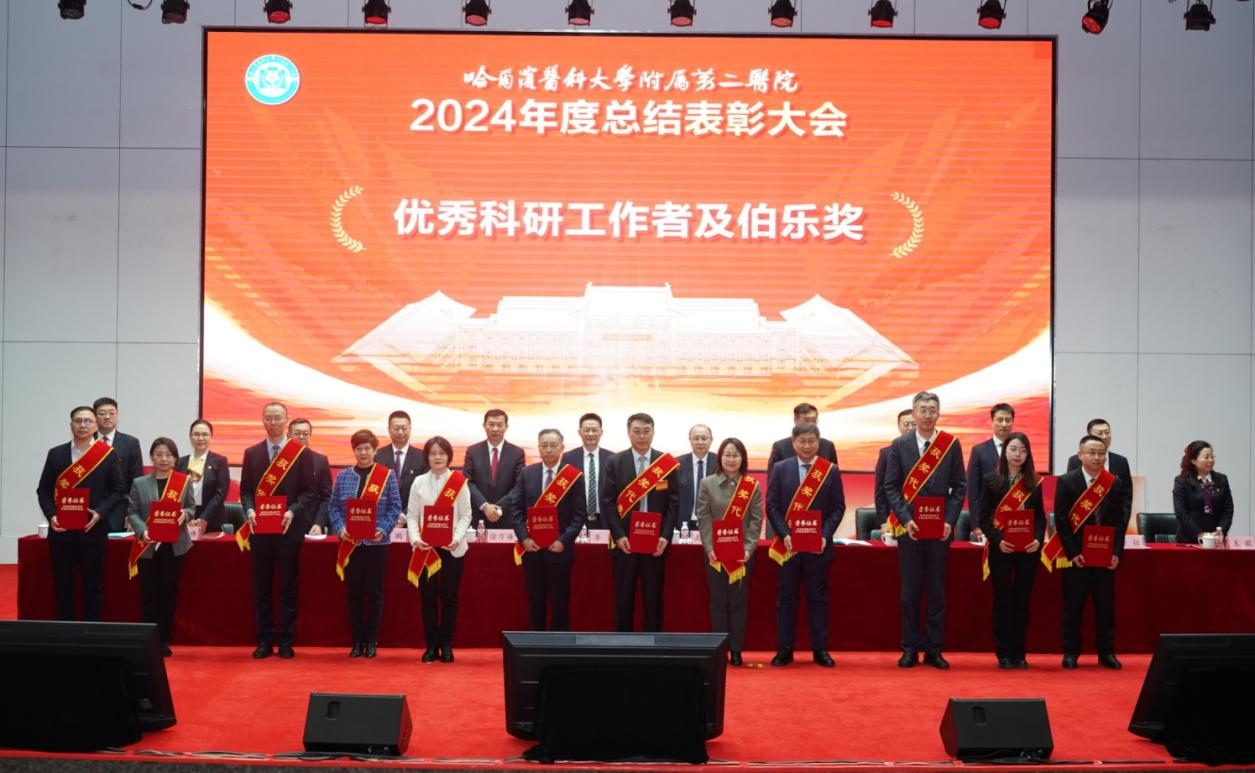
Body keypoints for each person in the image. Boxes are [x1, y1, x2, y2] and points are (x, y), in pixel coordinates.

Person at [883, 391, 966, 670]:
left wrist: (950, 520)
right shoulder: (900, 445)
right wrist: (905, 519)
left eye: (932, 410)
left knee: (937, 591)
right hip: (910, 530)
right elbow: (891, 487)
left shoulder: (950, 444)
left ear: (938, 413)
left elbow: (960, 486)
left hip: (940, 530)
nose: (928, 415)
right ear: (914, 413)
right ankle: (909, 649)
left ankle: (933, 649)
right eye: (923, 410)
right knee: (910, 592)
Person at [240, 402, 316, 659]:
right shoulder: (252, 453)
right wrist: (249, 509)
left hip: (288, 529)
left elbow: (309, 492)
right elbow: (246, 491)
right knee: (261, 586)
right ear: (262, 420)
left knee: (287, 586)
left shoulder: (300, 453)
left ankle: (286, 639)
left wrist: (292, 511)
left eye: (278, 418)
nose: (273, 423)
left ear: (286, 421)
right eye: (269, 418)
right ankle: (264, 639)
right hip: (259, 529)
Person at [765, 424, 846, 668]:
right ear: (793, 443)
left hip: (818, 547)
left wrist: (824, 535)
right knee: (786, 598)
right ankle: (784, 649)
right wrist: (785, 534)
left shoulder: (829, 470)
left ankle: (820, 650)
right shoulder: (781, 469)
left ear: (818, 443)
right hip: (788, 547)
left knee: (818, 599)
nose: (807, 446)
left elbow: (838, 507)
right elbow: (772, 506)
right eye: (802, 441)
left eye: (811, 441)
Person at [36, 406, 127, 621]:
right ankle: (65, 631)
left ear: (96, 425)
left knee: (93, 585)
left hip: (92, 530)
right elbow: (43, 490)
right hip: (62, 531)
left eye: (88, 421)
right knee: (63, 584)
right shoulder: (56, 454)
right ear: (71, 425)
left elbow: (118, 490)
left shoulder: (106, 455)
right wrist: (51, 515)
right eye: (78, 421)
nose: (82, 425)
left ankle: (91, 631)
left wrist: (100, 513)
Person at [1054, 434, 1127, 670]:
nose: (1097, 457)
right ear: (1080, 455)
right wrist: (1073, 552)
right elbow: (1061, 520)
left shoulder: (1113, 483)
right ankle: (1070, 652)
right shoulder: (1067, 481)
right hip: (1077, 557)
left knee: (1106, 607)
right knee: (1073, 606)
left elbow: (1119, 522)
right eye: (1091, 453)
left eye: (1101, 453)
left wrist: (1116, 552)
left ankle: (1107, 653)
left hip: (1105, 557)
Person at [602, 412, 680, 632]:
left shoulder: (665, 464)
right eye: (637, 431)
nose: (642, 436)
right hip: (625, 542)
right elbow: (607, 502)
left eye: (646, 431)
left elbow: (673, 503)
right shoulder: (615, 462)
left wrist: (665, 536)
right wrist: (619, 536)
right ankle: (623, 644)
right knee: (623, 599)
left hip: (655, 543)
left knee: (653, 599)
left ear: (653, 432)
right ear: (628, 433)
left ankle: (653, 645)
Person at [330, 430, 402, 659]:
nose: (363, 453)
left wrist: (383, 529)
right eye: (359, 449)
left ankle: (371, 640)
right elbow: (333, 507)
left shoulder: (387, 475)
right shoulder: (343, 476)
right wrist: (340, 528)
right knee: (354, 593)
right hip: (351, 543)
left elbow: (395, 507)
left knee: (374, 592)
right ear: (354, 450)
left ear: (375, 450)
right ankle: (356, 641)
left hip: (377, 544)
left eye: (367, 448)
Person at [976, 432, 1045, 669]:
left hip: (1028, 550)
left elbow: (1040, 518)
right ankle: (1004, 653)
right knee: (1003, 600)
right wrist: (997, 540)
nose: (1018, 454)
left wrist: (1037, 539)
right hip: (1002, 550)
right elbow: (984, 517)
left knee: (1022, 601)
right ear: (1005, 451)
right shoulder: (991, 480)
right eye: (1014, 449)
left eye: (1023, 450)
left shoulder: (1034, 482)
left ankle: (1019, 653)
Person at [508, 429, 587, 631]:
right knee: (535, 601)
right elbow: (516, 510)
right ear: (539, 448)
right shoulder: (527, 473)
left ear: (562, 447)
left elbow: (579, 515)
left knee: (560, 602)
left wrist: (563, 540)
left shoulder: (573, 476)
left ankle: (560, 645)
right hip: (532, 549)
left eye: (553, 445)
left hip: (560, 550)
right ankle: (536, 644)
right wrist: (524, 538)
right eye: (544, 445)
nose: (549, 450)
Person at [696, 437, 763, 666]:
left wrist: (749, 548)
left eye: (735, 455)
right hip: (715, 555)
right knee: (717, 603)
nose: (731, 459)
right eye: (727, 454)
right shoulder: (707, 483)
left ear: (742, 458)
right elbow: (703, 517)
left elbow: (756, 520)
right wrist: (709, 548)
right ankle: (720, 649)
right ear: (720, 457)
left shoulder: (751, 486)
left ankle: (736, 649)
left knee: (738, 603)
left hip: (742, 556)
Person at [126, 437, 196, 656]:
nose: (164, 459)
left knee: (168, 593)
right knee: (148, 594)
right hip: (147, 544)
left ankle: (164, 639)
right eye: (159, 454)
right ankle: (149, 639)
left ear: (175, 458)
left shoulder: (183, 481)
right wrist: (142, 530)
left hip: (175, 546)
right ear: (152, 457)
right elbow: (132, 512)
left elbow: (191, 508)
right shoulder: (140, 483)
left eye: (168, 455)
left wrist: (185, 514)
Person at [407, 435, 472, 663]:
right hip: (426, 549)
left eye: (442, 453)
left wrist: (456, 538)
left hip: (452, 547)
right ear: (427, 456)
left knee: (449, 597)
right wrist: (416, 539)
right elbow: (412, 516)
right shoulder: (418, 482)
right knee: (428, 597)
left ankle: (447, 645)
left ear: (449, 456)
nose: (437, 457)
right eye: (433, 453)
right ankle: (431, 645)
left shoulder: (459, 482)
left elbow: (466, 514)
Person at [462, 408, 526, 529]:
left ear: (506, 427)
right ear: (484, 426)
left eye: (499, 425)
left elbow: (519, 485)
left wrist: (497, 508)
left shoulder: (517, 453)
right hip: (479, 517)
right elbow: (468, 482)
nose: (495, 429)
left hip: (506, 517)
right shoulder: (473, 451)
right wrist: (485, 506)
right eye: (491, 424)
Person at [1065, 418, 1133, 524]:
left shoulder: (1121, 461)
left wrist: (1123, 524)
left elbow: (1126, 496)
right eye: (1100, 433)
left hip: (1111, 525)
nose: (1105, 436)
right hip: (1081, 522)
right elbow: (1069, 494)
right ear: (1089, 436)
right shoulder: (1076, 460)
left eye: (1107, 432)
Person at [966, 403, 1016, 541]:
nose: (1004, 424)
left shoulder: (1021, 450)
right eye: (999, 420)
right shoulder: (979, 451)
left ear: (1013, 422)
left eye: (1008, 420)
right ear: (992, 422)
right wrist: (976, 524)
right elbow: (973, 491)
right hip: (988, 518)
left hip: (1015, 518)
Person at [93, 397, 144, 530]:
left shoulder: (130, 443)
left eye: (111, 413)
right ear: (94, 417)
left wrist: (132, 514)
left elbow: (136, 480)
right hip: (91, 509)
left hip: (120, 509)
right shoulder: (86, 442)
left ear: (117, 415)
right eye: (102, 413)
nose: (107, 417)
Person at [1173, 441, 1234, 544]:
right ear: (1193, 460)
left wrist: (1219, 532)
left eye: (1212, 457)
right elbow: (1181, 512)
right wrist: (1200, 534)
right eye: (1206, 457)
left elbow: (1228, 510)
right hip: (1190, 540)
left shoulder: (1221, 479)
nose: (1211, 460)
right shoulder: (1182, 481)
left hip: (1216, 540)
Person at [176, 419, 230, 533]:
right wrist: (187, 516)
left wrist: (204, 518)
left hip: (211, 520)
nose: (200, 438)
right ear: (190, 437)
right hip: (184, 519)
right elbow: (176, 492)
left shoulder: (220, 461)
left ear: (211, 437)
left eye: (205, 434)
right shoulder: (180, 462)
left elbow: (220, 493)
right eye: (196, 434)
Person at [375, 410, 427, 527]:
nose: (400, 432)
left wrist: (405, 515)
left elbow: (423, 491)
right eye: (396, 428)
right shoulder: (378, 456)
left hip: (413, 521)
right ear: (389, 429)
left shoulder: (422, 457)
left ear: (410, 429)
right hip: (382, 521)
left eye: (404, 428)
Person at [561, 412, 613, 529]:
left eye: (594, 430)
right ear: (579, 432)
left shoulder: (612, 458)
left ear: (601, 432)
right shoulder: (568, 458)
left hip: (604, 521)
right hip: (577, 521)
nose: (590, 434)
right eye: (586, 430)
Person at [765, 402, 838, 477]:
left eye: (814, 420)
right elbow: (773, 480)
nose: (811, 424)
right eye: (806, 420)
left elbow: (834, 477)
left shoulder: (828, 446)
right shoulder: (780, 447)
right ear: (795, 421)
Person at [291, 419, 333, 536]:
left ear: (310, 436)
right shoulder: (279, 461)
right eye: (297, 433)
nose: (301, 437)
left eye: (305, 433)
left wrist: (319, 523)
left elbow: (327, 497)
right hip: (284, 523)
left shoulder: (320, 461)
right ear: (288, 435)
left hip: (310, 525)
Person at [675, 424, 718, 536]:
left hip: (713, 523)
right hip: (683, 524)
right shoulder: (677, 464)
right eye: (696, 438)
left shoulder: (720, 463)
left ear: (711, 440)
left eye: (704, 438)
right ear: (690, 440)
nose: (700, 442)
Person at [874, 410, 916, 526]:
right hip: (895, 515)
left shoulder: (928, 452)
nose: (910, 428)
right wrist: (883, 522)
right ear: (899, 426)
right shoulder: (887, 453)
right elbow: (880, 491)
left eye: (914, 424)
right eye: (906, 424)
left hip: (922, 513)